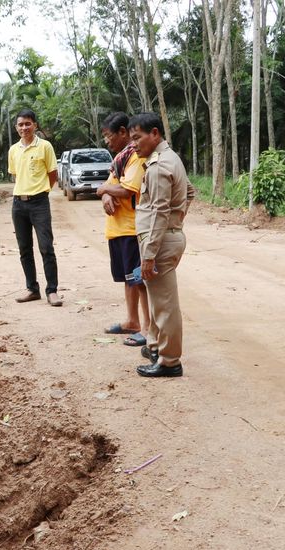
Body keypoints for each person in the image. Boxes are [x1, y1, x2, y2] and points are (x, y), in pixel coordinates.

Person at [128, 112, 194, 377]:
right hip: (167, 236)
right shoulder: (170, 158)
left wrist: (150, 254)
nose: (133, 144)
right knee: (158, 302)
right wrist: (178, 220)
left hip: (161, 241)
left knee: (165, 306)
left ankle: (170, 361)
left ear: (154, 134)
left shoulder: (158, 166)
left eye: (137, 138)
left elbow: (158, 212)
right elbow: (189, 192)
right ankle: (156, 347)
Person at [96, 112, 150, 347]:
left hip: (132, 227)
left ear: (122, 132)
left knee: (139, 279)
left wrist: (102, 191)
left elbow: (128, 189)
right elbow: (111, 184)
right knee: (128, 279)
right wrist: (106, 192)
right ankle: (132, 320)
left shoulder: (136, 157)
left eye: (108, 136)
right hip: (117, 228)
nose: (107, 141)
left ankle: (148, 327)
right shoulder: (120, 158)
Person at [8, 109, 62, 306]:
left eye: (28, 124)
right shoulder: (13, 150)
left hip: (40, 202)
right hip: (18, 204)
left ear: (35, 125)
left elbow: (52, 174)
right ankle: (32, 289)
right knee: (24, 249)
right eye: (21, 124)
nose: (24, 128)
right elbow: (15, 175)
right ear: (16, 128)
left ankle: (52, 291)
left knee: (46, 247)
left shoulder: (45, 146)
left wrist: (42, 191)